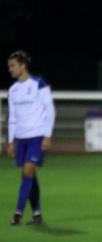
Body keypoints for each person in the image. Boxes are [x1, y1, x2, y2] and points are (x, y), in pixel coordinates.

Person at [7, 50, 56, 225]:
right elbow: (12, 117)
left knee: (27, 171)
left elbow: (50, 110)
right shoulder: (13, 90)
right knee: (30, 174)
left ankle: (18, 213)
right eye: (9, 66)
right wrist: (10, 141)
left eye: (13, 65)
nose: (10, 69)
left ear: (23, 66)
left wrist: (47, 136)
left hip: (37, 136)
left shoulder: (39, 84)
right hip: (21, 139)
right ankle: (36, 214)